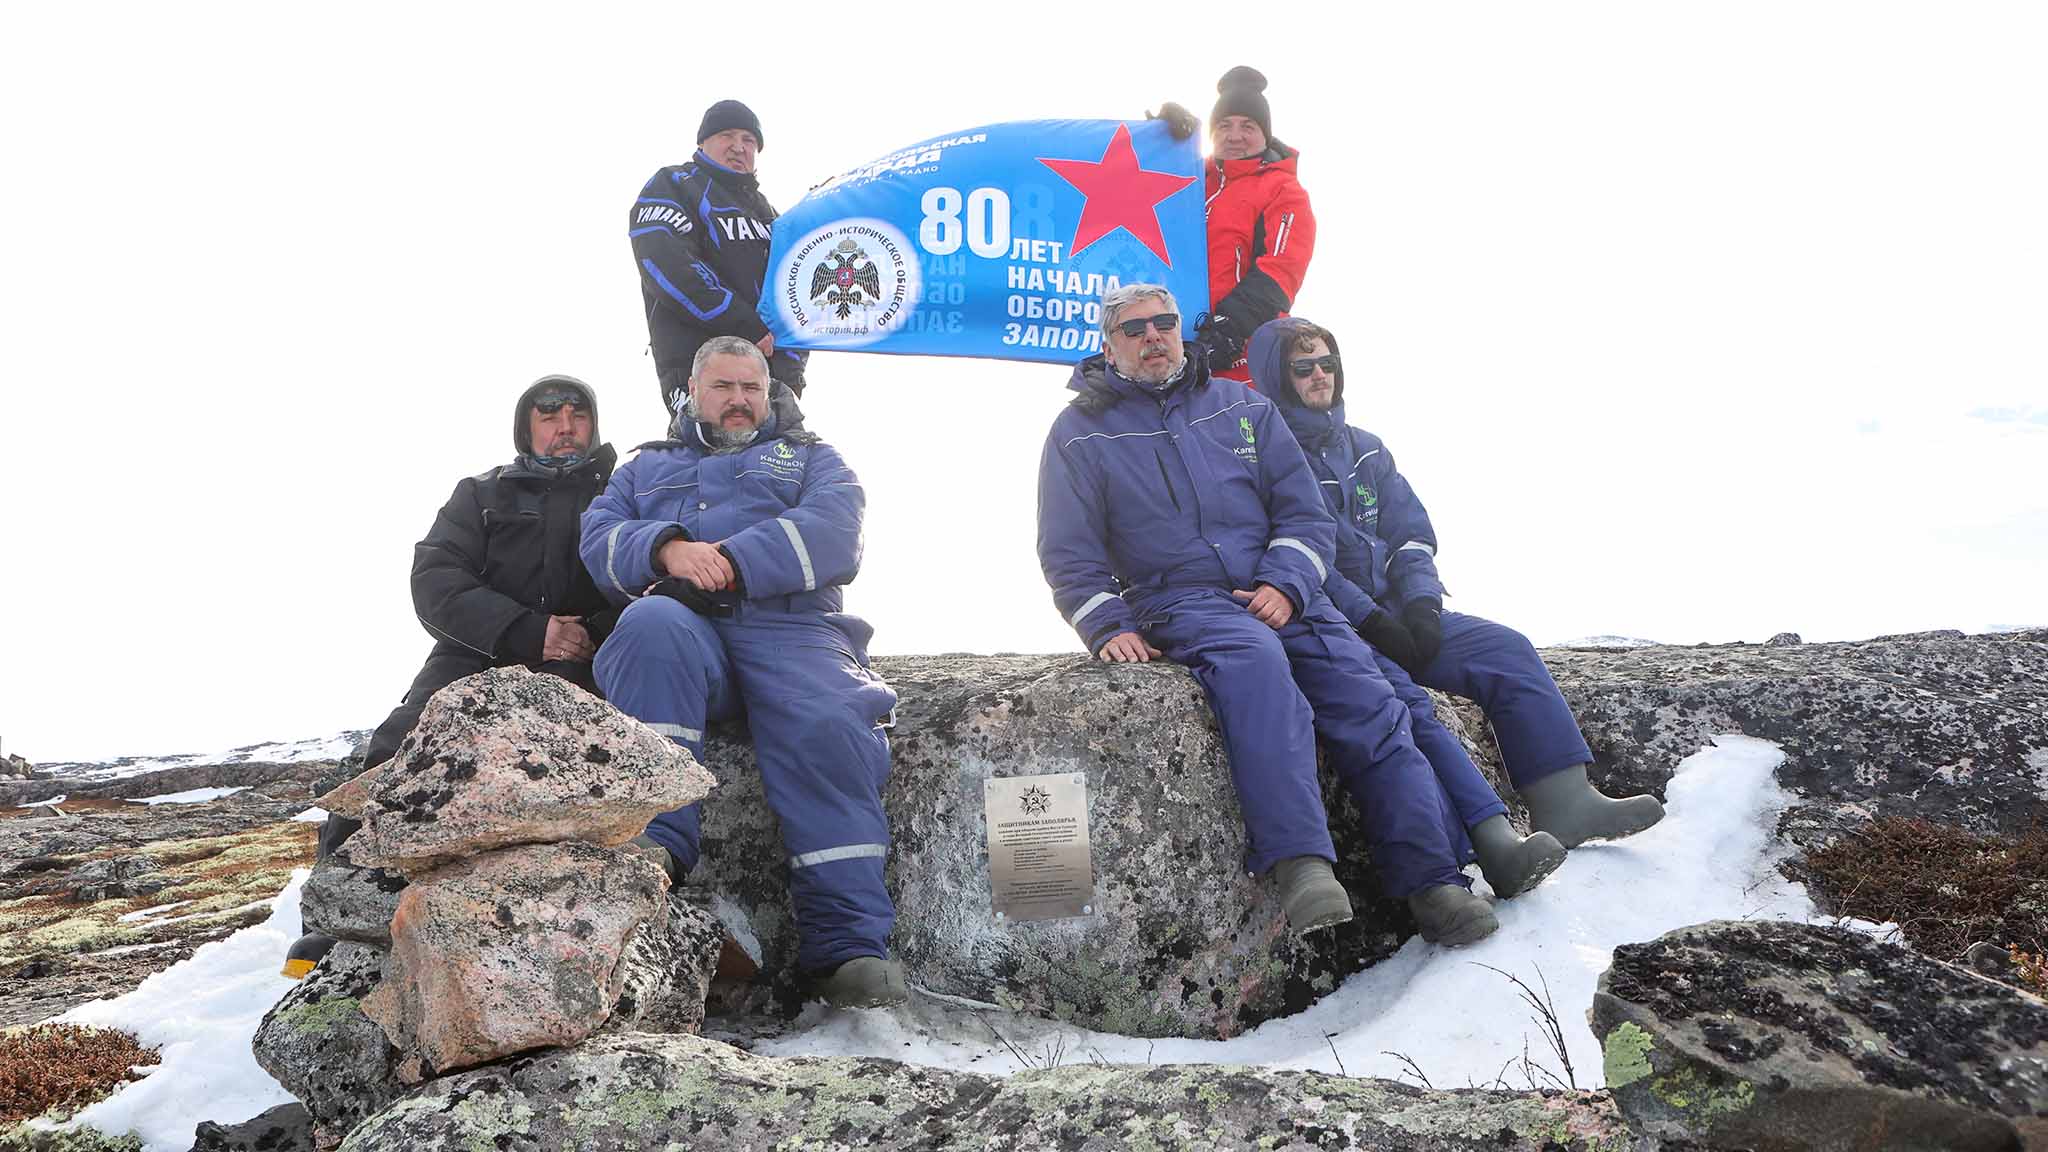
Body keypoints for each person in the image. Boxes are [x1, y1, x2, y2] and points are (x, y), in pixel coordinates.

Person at [1036, 284, 1552, 948]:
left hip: (1284, 591)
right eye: (1134, 329)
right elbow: (1067, 549)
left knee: (1372, 702)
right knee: (1257, 671)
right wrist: (1107, 624)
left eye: (1164, 322)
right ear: (1109, 347)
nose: (1153, 336)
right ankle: (1304, 867)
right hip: (1181, 600)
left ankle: (1435, 884)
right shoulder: (1078, 434)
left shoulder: (1243, 406)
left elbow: (1305, 515)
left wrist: (1286, 582)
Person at [1246, 316, 1667, 858]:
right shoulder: (1270, 459)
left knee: (1507, 649)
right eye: (1302, 368)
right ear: (1277, 378)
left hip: (1402, 614)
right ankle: (1481, 847)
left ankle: (1568, 805)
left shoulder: (1367, 449)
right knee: (1405, 707)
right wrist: (1373, 621)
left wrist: (1421, 607)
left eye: (1328, 363)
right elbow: (1307, 561)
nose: (1320, 375)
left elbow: (1411, 535)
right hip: (1344, 629)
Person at [579, 336, 903, 1009]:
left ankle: (847, 949)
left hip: (793, 630)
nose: (738, 400)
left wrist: (725, 560)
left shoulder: (814, 457)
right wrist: (666, 550)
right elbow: (598, 535)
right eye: (723, 387)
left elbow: (835, 531)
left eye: (751, 387)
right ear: (693, 393)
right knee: (646, 625)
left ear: (768, 392)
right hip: (689, 633)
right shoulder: (644, 467)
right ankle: (654, 846)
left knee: (831, 720)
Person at [284, 375, 619, 978]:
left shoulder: (623, 489)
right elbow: (435, 579)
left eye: (578, 415)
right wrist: (525, 630)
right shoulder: (480, 493)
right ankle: (334, 916)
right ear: (526, 429)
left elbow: (644, 572)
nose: (565, 427)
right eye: (549, 416)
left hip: (586, 656)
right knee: (399, 743)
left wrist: (588, 631)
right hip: (476, 652)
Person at [631, 99, 808, 422]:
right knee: (707, 451)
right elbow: (665, 261)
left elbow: (796, 293)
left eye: (749, 140)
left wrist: (792, 370)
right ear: (703, 142)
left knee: (787, 454)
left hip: (770, 384)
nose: (738, 147)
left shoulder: (771, 215)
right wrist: (742, 324)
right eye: (727, 135)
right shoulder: (674, 185)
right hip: (698, 372)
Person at [1150, 66, 1315, 381]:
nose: (1235, 136)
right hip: (1165, 344)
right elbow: (1134, 199)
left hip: (1242, 354)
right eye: (1224, 125)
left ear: (1265, 134)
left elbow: (1282, 270)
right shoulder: (1189, 180)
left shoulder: (1283, 190)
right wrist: (1160, 141)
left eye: (1247, 126)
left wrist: (1229, 328)